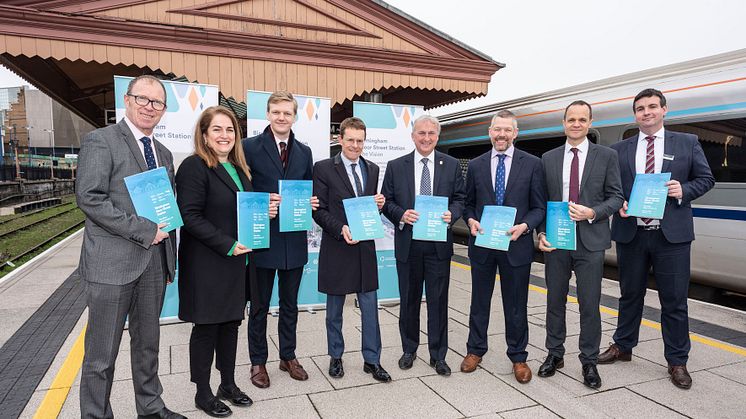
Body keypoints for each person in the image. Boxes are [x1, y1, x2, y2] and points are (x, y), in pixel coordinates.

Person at [76, 75, 185, 419]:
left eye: (157, 103)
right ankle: (96, 415)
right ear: (127, 99)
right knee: (101, 355)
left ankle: (150, 408)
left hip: (153, 264)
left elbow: (168, 211)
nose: (149, 108)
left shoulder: (164, 153)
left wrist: (170, 261)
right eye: (143, 99)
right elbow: (89, 199)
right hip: (112, 265)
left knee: (148, 346)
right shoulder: (101, 141)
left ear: (164, 110)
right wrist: (144, 230)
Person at [599, 89, 714, 389]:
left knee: (674, 301)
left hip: (671, 237)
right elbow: (612, 189)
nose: (646, 112)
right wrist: (619, 202)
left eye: (652, 107)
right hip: (631, 234)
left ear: (664, 110)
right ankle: (623, 345)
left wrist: (683, 191)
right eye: (640, 108)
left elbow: (706, 178)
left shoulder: (687, 143)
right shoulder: (619, 149)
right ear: (634, 114)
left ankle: (677, 361)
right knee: (629, 294)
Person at [177, 106, 278, 416]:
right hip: (209, 264)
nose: (225, 136)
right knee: (207, 328)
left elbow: (241, 212)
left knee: (231, 325)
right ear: (205, 135)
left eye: (230, 130)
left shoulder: (240, 168)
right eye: (217, 130)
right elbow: (190, 216)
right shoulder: (194, 167)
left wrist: (265, 212)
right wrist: (228, 245)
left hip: (238, 264)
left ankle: (228, 383)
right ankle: (203, 392)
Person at [537, 100, 623, 389]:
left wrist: (593, 213)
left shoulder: (607, 156)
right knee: (554, 300)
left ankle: (588, 361)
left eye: (582, 119)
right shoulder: (547, 158)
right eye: (571, 119)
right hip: (557, 242)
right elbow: (539, 202)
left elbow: (616, 197)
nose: (576, 124)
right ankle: (555, 354)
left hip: (591, 241)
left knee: (589, 304)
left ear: (590, 123)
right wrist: (540, 233)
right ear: (563, 123)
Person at [460, 110, 546, 383]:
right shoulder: (475, 165)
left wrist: (526, 226)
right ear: (490, 132)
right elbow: (467, 203)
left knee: (517, 304)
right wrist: (471, 219)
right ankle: (475, 350)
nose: (501, 134)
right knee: (479, 302)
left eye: (507, 130)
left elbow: (538, 206)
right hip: (483, 244)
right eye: (497, 129)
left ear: (515, 133)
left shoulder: (532, 164)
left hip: (515, 245)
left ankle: (518, 357)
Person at [241, 91, 319, 388]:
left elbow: (308, 187)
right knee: (259, 306)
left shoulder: (304, 151)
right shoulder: (248, 147)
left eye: (287, 113)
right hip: (263, 238)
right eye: (276, 112)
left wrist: (311, 202)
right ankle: (258, 361)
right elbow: (242, 192)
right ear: (268, 114)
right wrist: (263, 203)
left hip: (294, 240)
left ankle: (287, 356)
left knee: (290, 304)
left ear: (295, 116)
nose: (282, 117)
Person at [381, 115, 466, 376]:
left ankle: (438, 355)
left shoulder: (451, 165)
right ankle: (409, 349)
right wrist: (401, 215)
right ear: (413, 136)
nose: (426, 138)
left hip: (438, 245)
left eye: (431, 133)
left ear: (437, 137)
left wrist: (453, 213)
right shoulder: (396, 166)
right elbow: (386, 201)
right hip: (409, 244)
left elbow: (461, 198)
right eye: (421, 133)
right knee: (409, 299)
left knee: (439, 301)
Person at [312, 117, 391, 382]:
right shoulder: (323, 168)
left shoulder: (373, 168)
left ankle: (372, 360)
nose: (355, 145)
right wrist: (340, 228)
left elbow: (368, 206)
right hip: (337, 246)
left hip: (365, 248)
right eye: (351, 140)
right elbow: (319, 210)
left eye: (360, 140)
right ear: (340, 140)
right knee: (334, 309)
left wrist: (378, 204)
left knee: (370, 307)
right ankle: (336, 356)